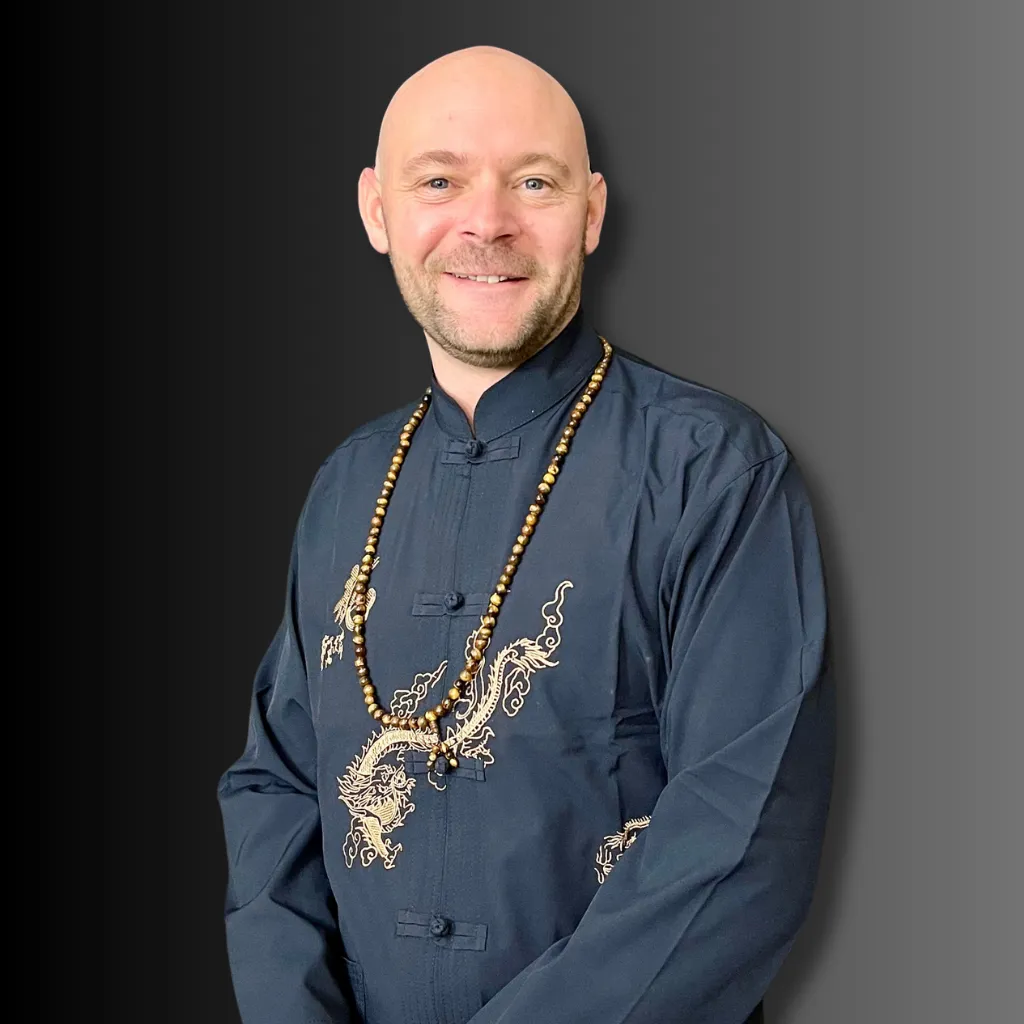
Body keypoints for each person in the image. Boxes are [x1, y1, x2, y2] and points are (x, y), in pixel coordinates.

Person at [217, 44, 834, 1024]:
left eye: (532, 181)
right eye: (440, 179)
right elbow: (277, 786)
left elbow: (742, 827)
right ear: (379, 211)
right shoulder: (345, 486)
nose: (487, 221)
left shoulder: (713, 467)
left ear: (590, 212)